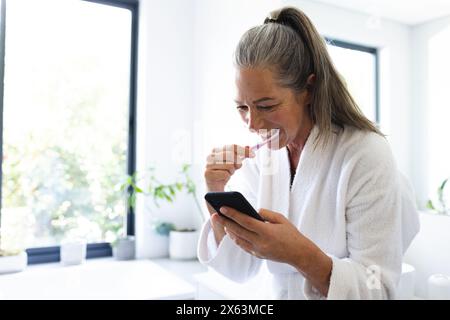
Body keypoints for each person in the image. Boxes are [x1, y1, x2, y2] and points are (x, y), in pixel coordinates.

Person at [197, 6, 420, 299]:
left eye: (266, 106)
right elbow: (239, 268)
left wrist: (301, 255)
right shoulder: (261, 161)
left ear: (309, 90)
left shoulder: (365, 154)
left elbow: (378, 289)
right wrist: (216, 194)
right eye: (242, 107)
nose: (252, 123)